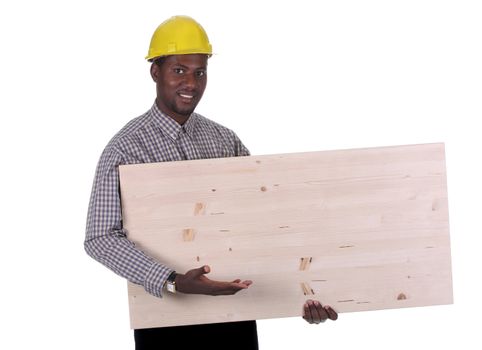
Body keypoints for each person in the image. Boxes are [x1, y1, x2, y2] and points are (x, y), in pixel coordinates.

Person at [85, 15, 338, 349]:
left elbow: (268, 221)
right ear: (155, 72)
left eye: (199, 72)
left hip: (235, 318)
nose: (191, 82)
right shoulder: (126, 148)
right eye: (179, 70)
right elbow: (100, 237)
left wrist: (305, 295)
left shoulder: (224, 140)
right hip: (165, 325)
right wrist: (172, 281)